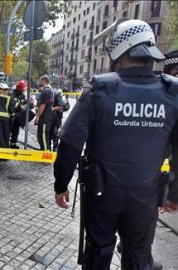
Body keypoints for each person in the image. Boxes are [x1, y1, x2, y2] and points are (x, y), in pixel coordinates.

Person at [53, 19, 178, 270]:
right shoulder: (171, 93)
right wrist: (174, 194)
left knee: (98, 251)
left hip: (102, 195)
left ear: (119, 51)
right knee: (139, 254)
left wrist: (61, 183)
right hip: (145, 196)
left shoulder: (100, 89)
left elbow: (69, 143)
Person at [34, 75, 54, 150]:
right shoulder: (51, 90)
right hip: (48, 116)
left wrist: (37, 117)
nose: (39, 82)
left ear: (43, 80)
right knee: (45, 136)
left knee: (43, 137)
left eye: (40, 80)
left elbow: (43, 105)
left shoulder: (46, 91)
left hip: (45, 117)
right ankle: (45, 152)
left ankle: (45, 155)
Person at [10, 80, 31, 149]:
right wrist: (20, 106)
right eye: (22, 89)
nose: (23, 91)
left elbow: (24, 102)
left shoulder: (22, 95)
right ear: (19, 88)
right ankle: (6, 145)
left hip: (18, 117)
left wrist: (28, 102)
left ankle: (13, 144)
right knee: (8, 131)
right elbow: (11, 103)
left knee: (16, 131)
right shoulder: (12, 93)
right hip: (11, 116)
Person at [50, 87, 66, 152]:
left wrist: (51, 109)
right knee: (53, 132)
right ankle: (53, 147)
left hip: (56, 117)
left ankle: (55, 147)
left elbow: (61, 106)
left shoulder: (58, 94)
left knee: (54, 132)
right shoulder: (55, 93)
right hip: (55, 116)